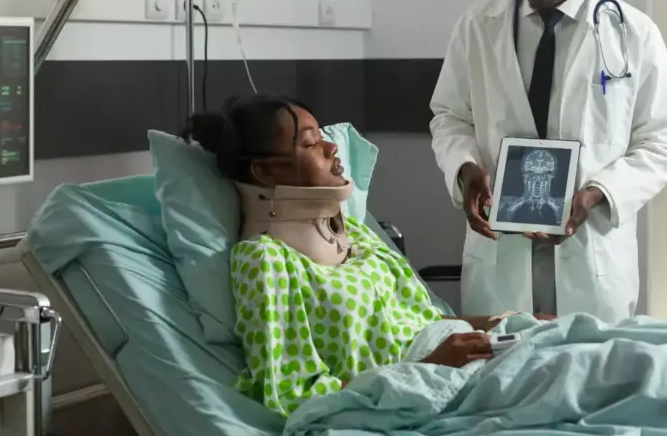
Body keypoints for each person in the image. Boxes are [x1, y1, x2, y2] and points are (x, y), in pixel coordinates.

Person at [181, 94, 550, 417]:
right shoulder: (263, 261)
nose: (331, 149)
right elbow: (291, 394)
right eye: (310, 144)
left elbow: (423, 319)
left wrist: (512, 321)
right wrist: (430, 366)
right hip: (429, 388)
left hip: (468, 359)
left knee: (577, 342)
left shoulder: (354, 234)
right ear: (264, 170)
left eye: (325, 138)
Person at [430, 0, 667, 324]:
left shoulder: (633, 34)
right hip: (501, 260)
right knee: (503, 380)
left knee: (589, 381)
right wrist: (465, 169)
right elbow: (449, 117)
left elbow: (663, 141)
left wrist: (599, 193)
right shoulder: (478, 26)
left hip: (589, 258)